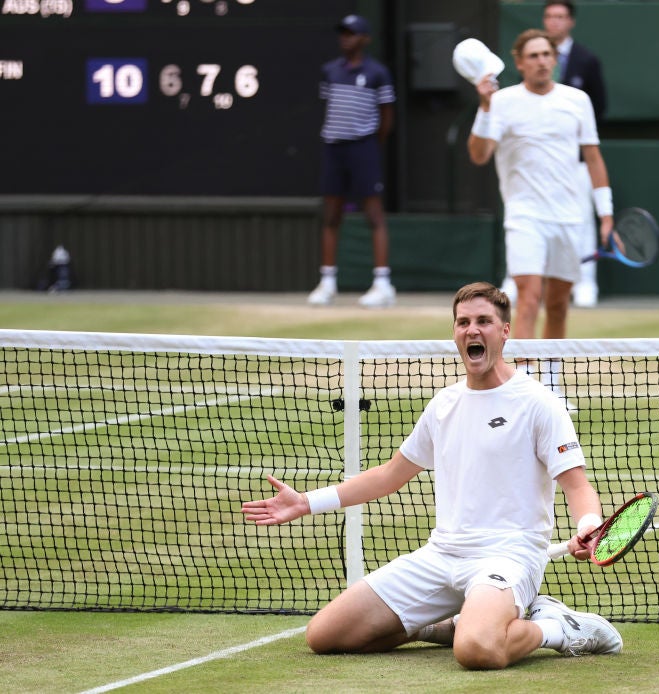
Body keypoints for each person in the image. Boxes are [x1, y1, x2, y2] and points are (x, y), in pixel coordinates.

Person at [241, 282, 622, 669]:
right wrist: (306, 502)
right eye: (463, 322)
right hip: (441, 556)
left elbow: (577, 485)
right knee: (326, 635)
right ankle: (447, 626)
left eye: (484, 321)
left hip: (508, 558)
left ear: (505, 331)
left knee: (477, 650)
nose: (472, 330)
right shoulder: (444, 404)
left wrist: (589, 524)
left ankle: (558, 627)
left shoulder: (539, 403)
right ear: (455, 332)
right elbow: (390, 475)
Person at [469, 29, 615, 401]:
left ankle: (550, 385)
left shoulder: (577, 100)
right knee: (529, 296)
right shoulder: (501, 102)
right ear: (519, 62)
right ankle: (525, 386)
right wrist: (484, 107)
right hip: (525, 216)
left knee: (558, 304)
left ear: (555, 59)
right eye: (533, 56)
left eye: (547, 54)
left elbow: (593, 157)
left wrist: (606, 215)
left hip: (569, 217)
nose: (541, 61)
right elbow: (479, 155)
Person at [502, 1, 608, 309]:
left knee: (582, 221)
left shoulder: (586, 60)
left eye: (560, 16)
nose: (555, 22)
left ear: (571, 21)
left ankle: (586, 283)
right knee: (522, 223)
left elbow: (599, 109)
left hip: (574, 163)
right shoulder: (520, 83)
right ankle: (514, 278)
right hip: (533, 167)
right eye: (549, 16)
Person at [307, 14, 397, 309]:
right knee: (331, 216)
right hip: (334, 148)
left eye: (352, 33)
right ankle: (327, 283)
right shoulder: (329, 71)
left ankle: (383, 284)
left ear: (365, 39)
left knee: (374, 215)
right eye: (343, 33)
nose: (346, 38)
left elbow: (386, 118)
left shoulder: (377, 73)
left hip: (363, 149)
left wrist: (368, 144)